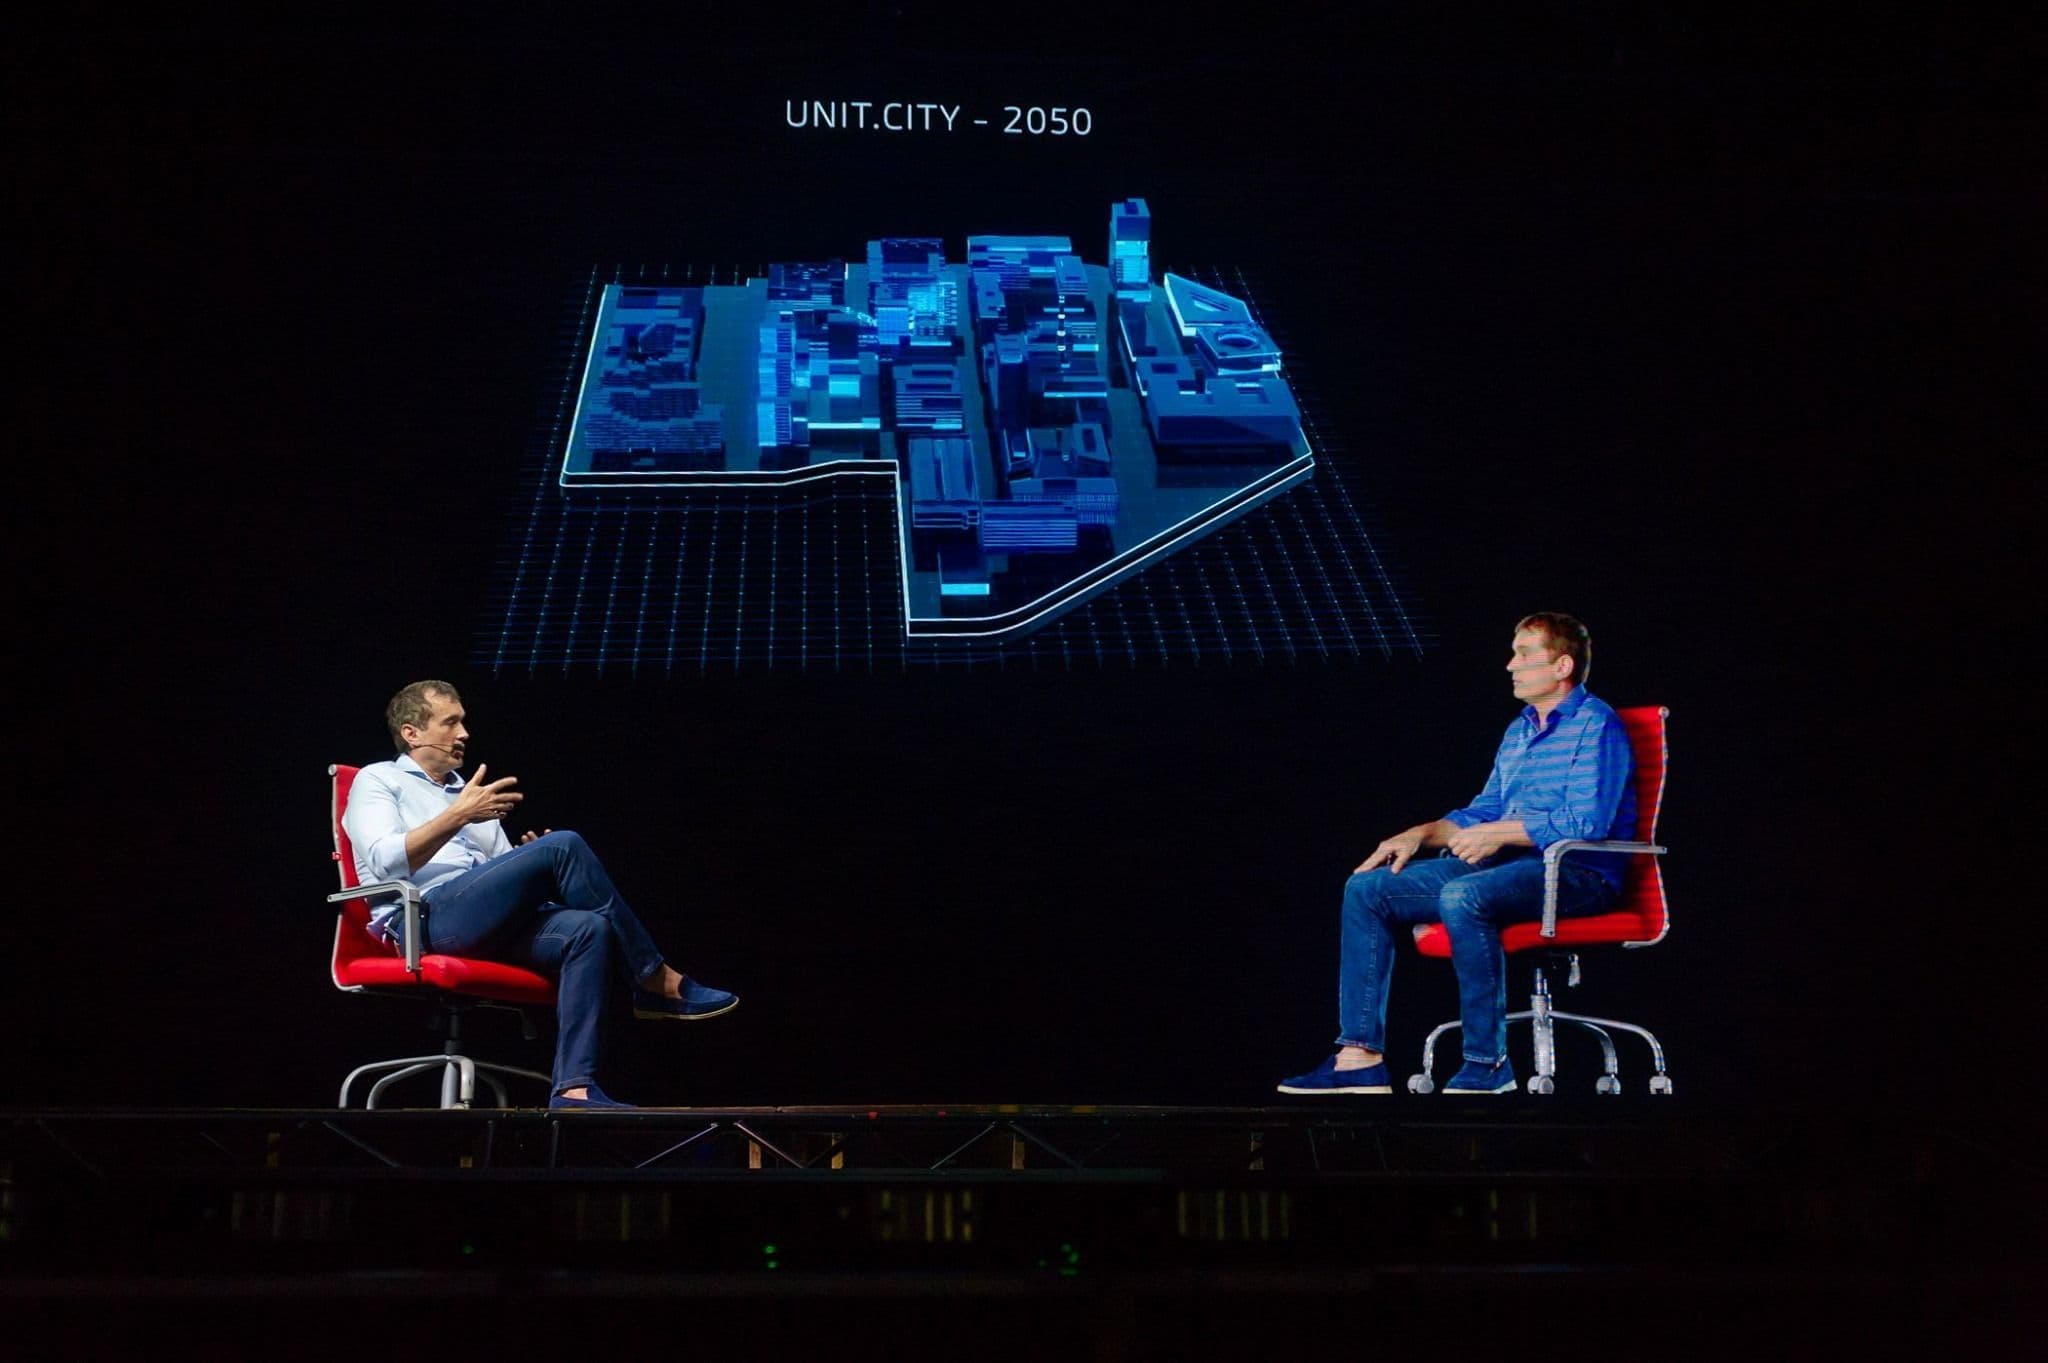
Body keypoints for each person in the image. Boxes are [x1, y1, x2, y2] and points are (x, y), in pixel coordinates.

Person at [1278, 612, 1635, 1096]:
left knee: (1464, 895)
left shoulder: (1597, 725)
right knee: (1368, 888)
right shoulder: (1520, 730)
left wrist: (1501, 833)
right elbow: (1482, 810)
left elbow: (1586, 823)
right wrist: (1420, 833)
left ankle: (1488, 1065)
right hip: (1508, 867)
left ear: (1562, 666)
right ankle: (1358, 1058)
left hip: (1576, 873)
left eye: (1525, 654)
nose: (1511, 665)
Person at [342, 680, 737, 1110]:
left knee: (588, 928)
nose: (464, 734)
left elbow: (496, 872)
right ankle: (654, 978)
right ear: (411, 732)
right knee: (563, 846)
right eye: (450, 722)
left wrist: (527, 860)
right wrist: (461, 818)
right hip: (424, 921)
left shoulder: (468, 793)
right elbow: (384, 861)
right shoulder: (378, 779)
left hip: (479, 921)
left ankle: (573, 1089)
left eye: (464, 722)